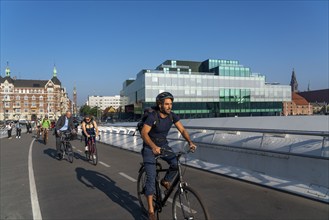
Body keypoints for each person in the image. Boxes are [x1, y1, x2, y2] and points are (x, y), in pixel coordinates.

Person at [140, 92, 196, 220]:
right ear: (160, 105)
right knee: (151, 178)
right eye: (166, 104)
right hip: (149, 148)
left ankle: (166, 181)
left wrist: (190, 142)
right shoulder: (152, 116)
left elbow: (182, 130)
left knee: (176, 164)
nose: (169, 106)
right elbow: (144, 133)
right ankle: (150, 211)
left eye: (171, 104)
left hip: (164, 146)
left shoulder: (172, 116)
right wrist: (153, 147)